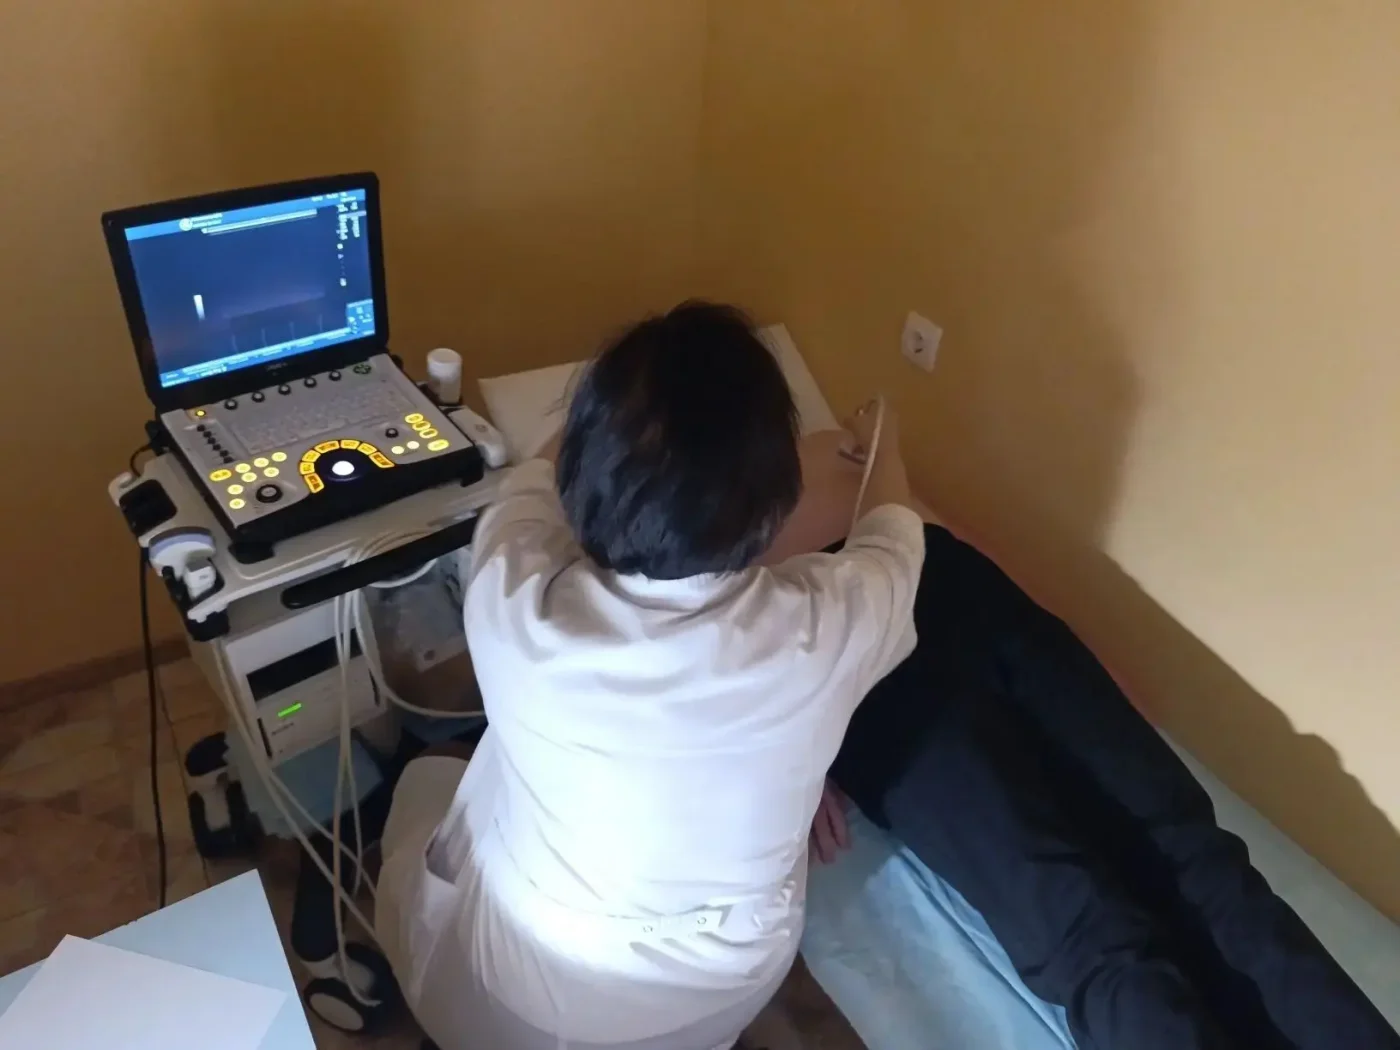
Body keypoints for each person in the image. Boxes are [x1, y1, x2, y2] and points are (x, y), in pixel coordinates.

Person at [374, 302, 926, 1050]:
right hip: (726, 991)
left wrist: (604, 420)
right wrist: (883, 434)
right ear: (775, 504)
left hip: (513, 1002)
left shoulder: (512, 595)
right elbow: (894, 533)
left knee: (427, 779)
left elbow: (536, 475)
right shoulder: (830, 626)